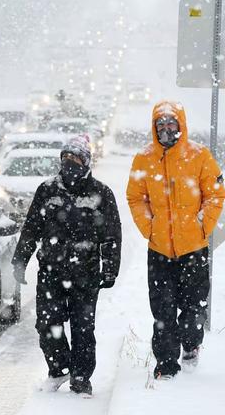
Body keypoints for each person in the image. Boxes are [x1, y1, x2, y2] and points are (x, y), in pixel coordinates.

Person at [12, 135, 122, 395]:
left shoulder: (101, 194)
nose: (70, 163)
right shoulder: (47, 190)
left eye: (76, 159)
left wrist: (110, 268)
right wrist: (20, 261)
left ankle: (82, 377)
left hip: (86, 274)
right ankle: (60, 370)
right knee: (47, 324)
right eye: (66, 158)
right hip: (51, 272)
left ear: (86, 162)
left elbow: (112, 235)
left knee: (83, 328)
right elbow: (31, 230)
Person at [127, 101, 225, 380]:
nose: (166, 129)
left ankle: (192, 343)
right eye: (161, 125)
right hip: (159, 250)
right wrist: (150, 227)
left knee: (194, 309)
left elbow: (216, 194)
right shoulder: (144, 159)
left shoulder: (199, 156)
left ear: (181, 125)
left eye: (171, 124)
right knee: (163, 311)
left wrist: (202, 224)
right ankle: (166, 364)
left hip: (193, 249)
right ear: (154, 128)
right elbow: (136, 198)